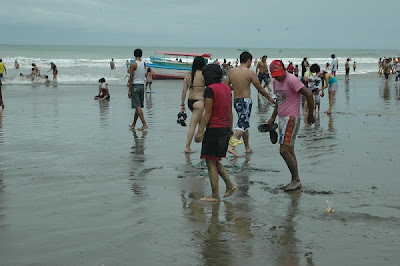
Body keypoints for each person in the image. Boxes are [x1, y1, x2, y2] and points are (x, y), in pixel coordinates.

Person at [267, 60, 315, 191]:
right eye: (274, 74)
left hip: (292, 118)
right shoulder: (275, 81)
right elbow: (279, 101)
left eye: (279, 73)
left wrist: (311, 114)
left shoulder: (291, 79)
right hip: (282, 119)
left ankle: (296, 180)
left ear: (284, 69)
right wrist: (272, 117)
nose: (277, 76)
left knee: (283, 150)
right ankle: (295, 180)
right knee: (290, 151)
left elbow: (309, 95)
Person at [194, 64, 237, 202]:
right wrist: (230, 128)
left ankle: (215, 195)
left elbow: (208, 113)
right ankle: (229, 185)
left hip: (214, 129)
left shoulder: (210, 90)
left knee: (210, 161)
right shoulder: (226, 87)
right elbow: (230, 111)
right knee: (214, 159)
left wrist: (200, 131)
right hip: (225, 128)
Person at [225, 52, 274, 157]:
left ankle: (247, 147)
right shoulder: (250, 73)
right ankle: (232, 147)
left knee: (244, 123)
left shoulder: (231, 72)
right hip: (245, 101)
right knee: (242, 124)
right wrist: (269, 97)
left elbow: (225, 86)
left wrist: (236, 87)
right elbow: (259, 88)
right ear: (248, 60)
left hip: (236, 101)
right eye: (250, 61)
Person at [181, 56, 206, 153]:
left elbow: (184, 91)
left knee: (201, 124)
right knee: (193, 125)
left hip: (190, 102)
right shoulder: (203, 74)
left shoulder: (188, 75)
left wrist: (182, 105)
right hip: (199, 102)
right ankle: (187, 147)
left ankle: (204, 147)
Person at [128, 49, 148, 131]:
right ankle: (133, 124)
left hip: (135, 86)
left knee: (137, 106)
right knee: (138, 106)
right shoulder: (144, 63)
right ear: (141, 55)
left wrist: (129, 90)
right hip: (142, 85)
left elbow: (131, 78)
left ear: (134, 55)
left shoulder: (133, 64)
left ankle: (144, 124)